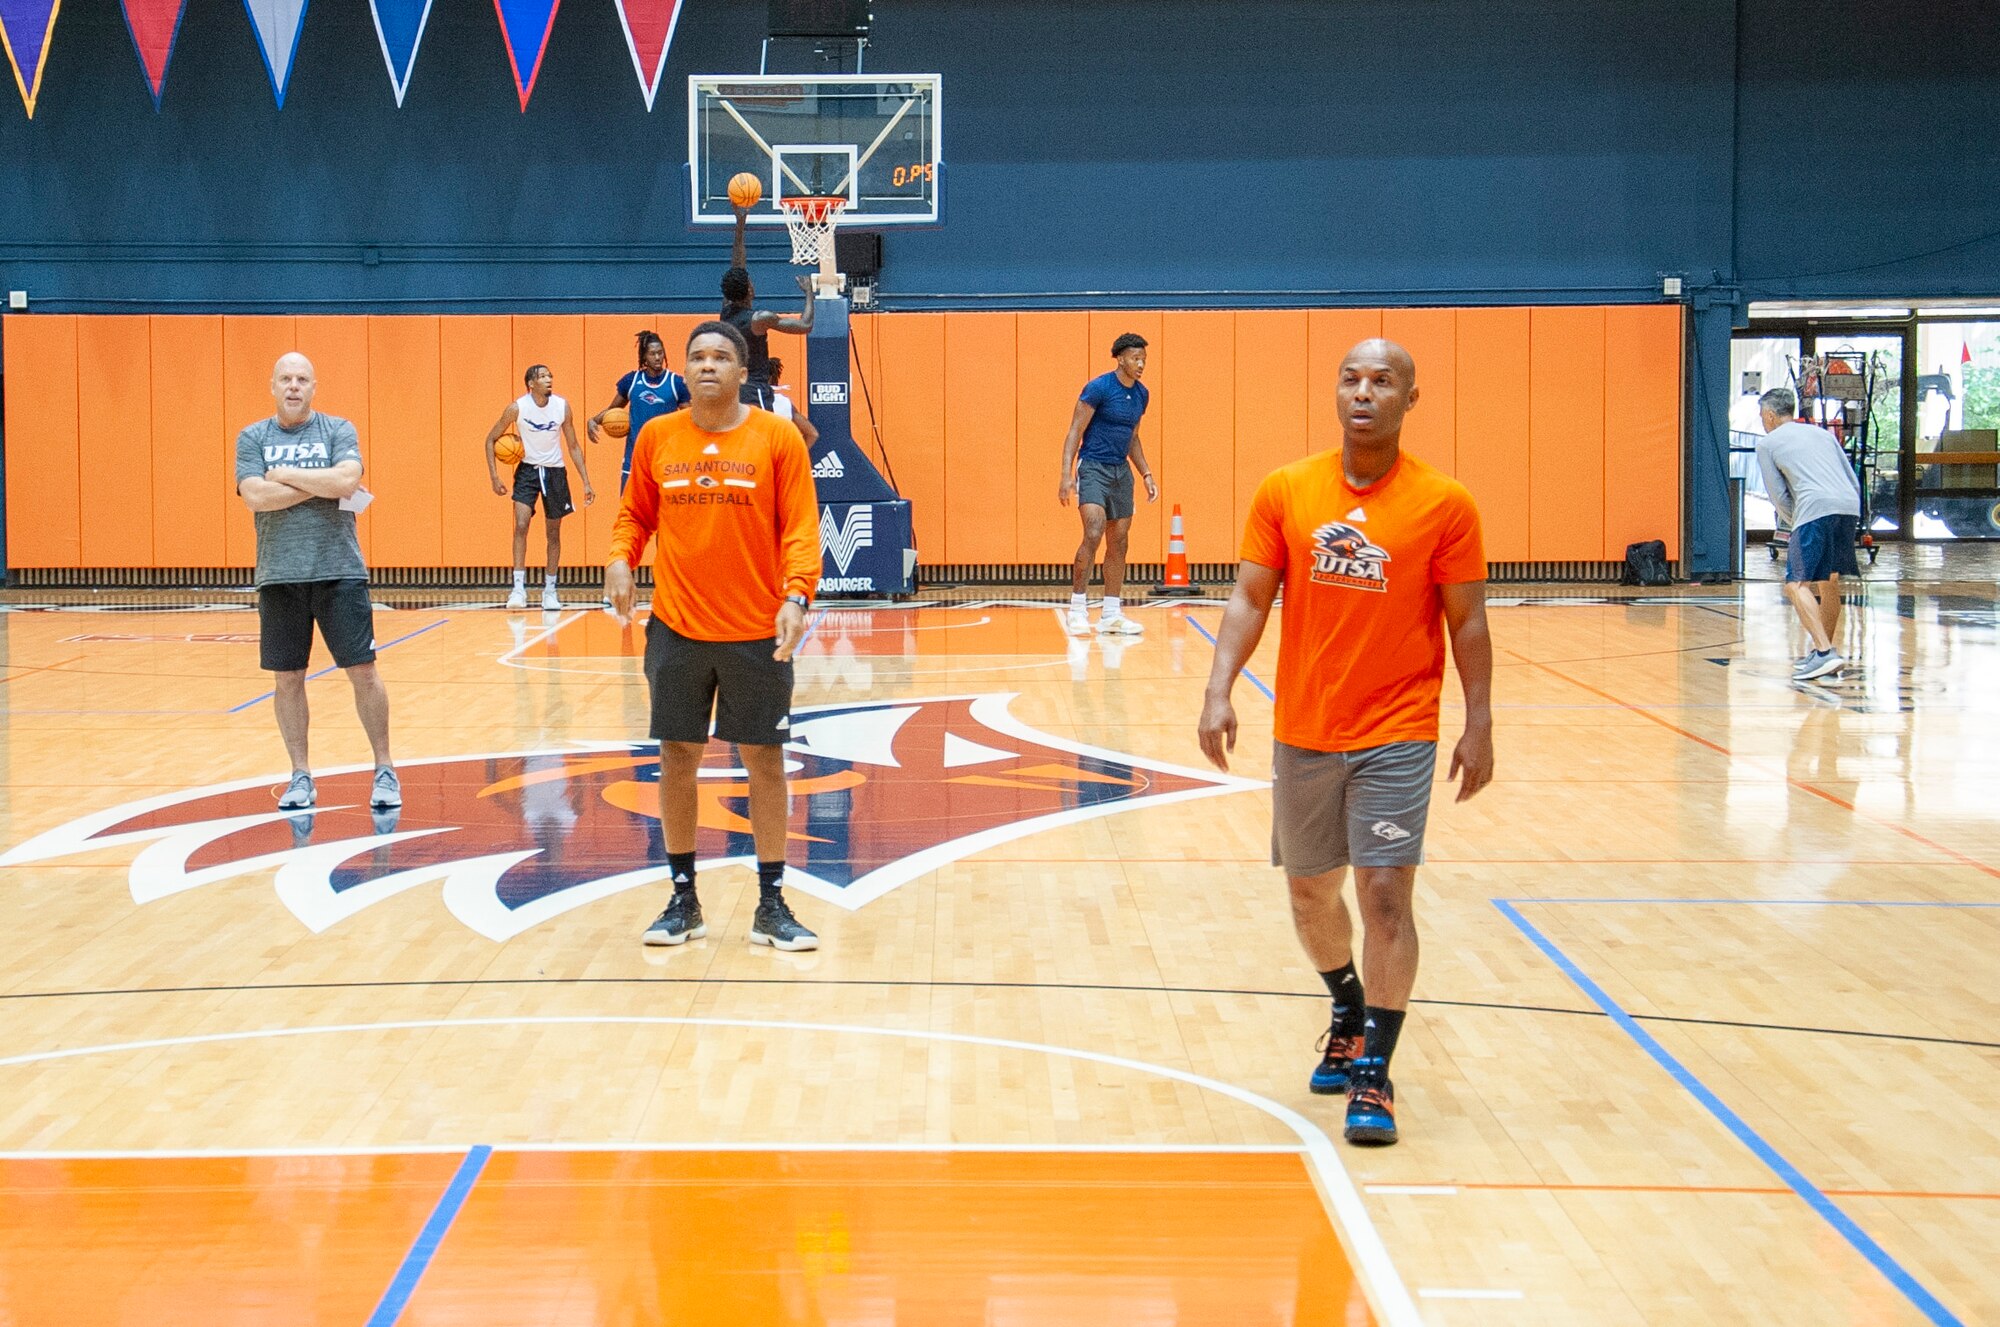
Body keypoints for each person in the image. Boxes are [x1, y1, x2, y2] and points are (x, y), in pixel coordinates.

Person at [1197, 339, 1493, 1148]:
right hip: (1305, 728)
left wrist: (1480, 718)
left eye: (1383, 381)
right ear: (1336, 391)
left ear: (1410, 397)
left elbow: (1467, 618)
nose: (1365, 392)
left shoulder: (1445, 503)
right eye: (1352, 379)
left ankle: (1376, 1071)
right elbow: (1251, 598)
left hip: (1399, 729)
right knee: (1309, 894)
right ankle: (1346, 1003)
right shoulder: (1287, 490)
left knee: (1386, 896)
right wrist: (1219, 688)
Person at [605, 320, 823, 952]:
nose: (706, 366)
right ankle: (683, 898)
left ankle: (771, 903)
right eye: (697, 356)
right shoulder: (656, 436)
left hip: (756, 628)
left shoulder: (777, 438)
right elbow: (635, 513)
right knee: (677, 756)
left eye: (720, 357)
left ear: (741, 369)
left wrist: (797, 594)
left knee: (763, 760)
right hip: (676, 626)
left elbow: (800, 528)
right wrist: (621, 557)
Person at [234, 352, 401, 813]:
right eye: (285, 378)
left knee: (363, 672)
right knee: (288, 680)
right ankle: (300, 775)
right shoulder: (252, 436)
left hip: (339, 571)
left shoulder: (338, 430)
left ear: (313, 386)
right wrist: (322, 483)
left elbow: (348, 480)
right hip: (279, 576)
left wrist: (285, 475)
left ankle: (384, 768)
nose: (293, 386)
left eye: (302, 379)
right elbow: (255, 497)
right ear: (272, 385)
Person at [1756, 387, 1862, 680]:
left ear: (1770, 415)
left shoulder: (1768, 443)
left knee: (1795, 585)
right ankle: (1821, 654)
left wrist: (1795, 522)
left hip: (1814, 509)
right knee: (1828, 582)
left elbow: (1778, 495)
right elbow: (1852, 480)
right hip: (1848, 506)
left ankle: (1825, 652)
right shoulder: (1824, 435)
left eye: (1763, 417)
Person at [1058, 332, 1158, 636]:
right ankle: (1077, 610)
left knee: (1120, 541)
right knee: (1093, 530)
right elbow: (1075, 431)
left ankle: (1111, 614)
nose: (1140, 363)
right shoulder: (1098, 388)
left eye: (1144, 358)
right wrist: (1066, 474)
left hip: (1120, 472)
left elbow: (1133, 438)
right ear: (1120, 358)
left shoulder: (1141, 394)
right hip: (1093, 468)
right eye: (1135, 357)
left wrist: (1146, 473)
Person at [485, 365, 594, 610]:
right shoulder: (517, 408)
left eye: (550, 376)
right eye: (543, 376)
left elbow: (574, 445)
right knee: (521, 524)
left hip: (555, 471)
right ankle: (518, 590)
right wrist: (494, 477)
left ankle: (550, 591)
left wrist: (586, 480)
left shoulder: (562, 406)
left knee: (553, 533)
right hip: (528, 471)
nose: (549, 379)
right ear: (531, 384)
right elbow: (490, 439)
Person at [723, 203, 818, 401]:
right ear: (750, 290)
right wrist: (809, 293)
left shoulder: (726, 310)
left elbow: (737, 263)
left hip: (730, 392)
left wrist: (740, 223)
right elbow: (806, 325)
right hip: (754, 393)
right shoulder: (759, 319)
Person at [588, 330, 690, 493]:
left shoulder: (676, 383)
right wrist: (593, 420)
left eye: (660, 352)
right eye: (652, 353)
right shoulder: (632, 381)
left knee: (663, 515)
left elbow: (690, 417)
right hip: (634, 459)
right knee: (629, 513)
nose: (657, 357)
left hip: (666, 459)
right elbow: (612, 411)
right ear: (644, 357)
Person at [764, 358, 820, 449]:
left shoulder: (746, 401)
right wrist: (795, 456)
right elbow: (812, 434)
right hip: (780, 459)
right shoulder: (784, 403)